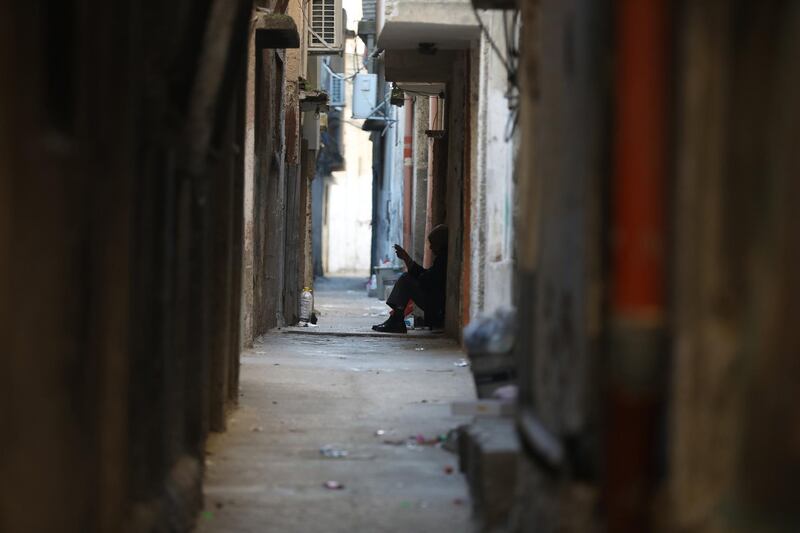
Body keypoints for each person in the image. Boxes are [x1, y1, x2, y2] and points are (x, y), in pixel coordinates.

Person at [372, 224, 448, 333]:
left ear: (441, 244)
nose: (431, 248)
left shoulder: (443, 260)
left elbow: (426, 280)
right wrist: (407, 260)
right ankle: (396, 318)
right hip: (435, 302)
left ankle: (397, 320)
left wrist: (407, 260)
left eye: (434, 244)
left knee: (406, 280)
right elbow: (425, 276)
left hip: (437, 307)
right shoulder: (441, 258)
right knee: (406, 278)